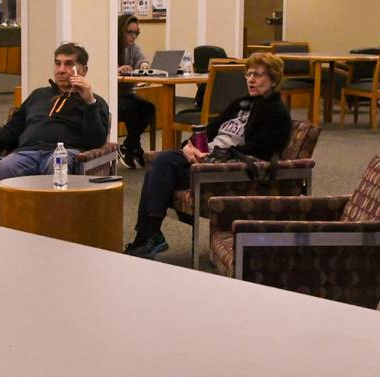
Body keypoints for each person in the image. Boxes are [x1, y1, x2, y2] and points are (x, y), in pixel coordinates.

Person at [125, 51, 291, 259]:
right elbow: (208, 130)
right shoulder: (241, 103)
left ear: (273, 79)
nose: (251, 79)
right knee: (162, 163)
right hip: (207, 157)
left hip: (224, 170)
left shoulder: (276, 113)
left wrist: (218, 154)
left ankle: (148, 236)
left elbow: (261, 150)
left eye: (258, 75)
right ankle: (149, 236)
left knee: (163, 164)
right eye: (248, 74)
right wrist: (189, 146)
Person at [0, 42, 109, 182]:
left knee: (57, 165)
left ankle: (53, 208)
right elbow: (8, 133)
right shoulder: (38, 95)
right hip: (27, 153)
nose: (61, 70)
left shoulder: (95, 102)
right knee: (4, 167)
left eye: (69, 64)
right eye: (58, 63)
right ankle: (21, 208)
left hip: (63, 153)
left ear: (83, 70)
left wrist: (89, 103)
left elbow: (95, 142)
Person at [117, 13, 156, 170]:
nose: (133, 37)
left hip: (127, 94)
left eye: (136, 33)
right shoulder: (111, 46)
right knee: (132, 109)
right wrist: (117, 70)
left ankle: (127, 145)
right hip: (112, 96)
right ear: (120, 31)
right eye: (129, 32)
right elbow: (102, 71)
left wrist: (144, 65)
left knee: (149, 108)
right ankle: (135, 147)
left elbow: (142, 60)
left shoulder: (133, 48)